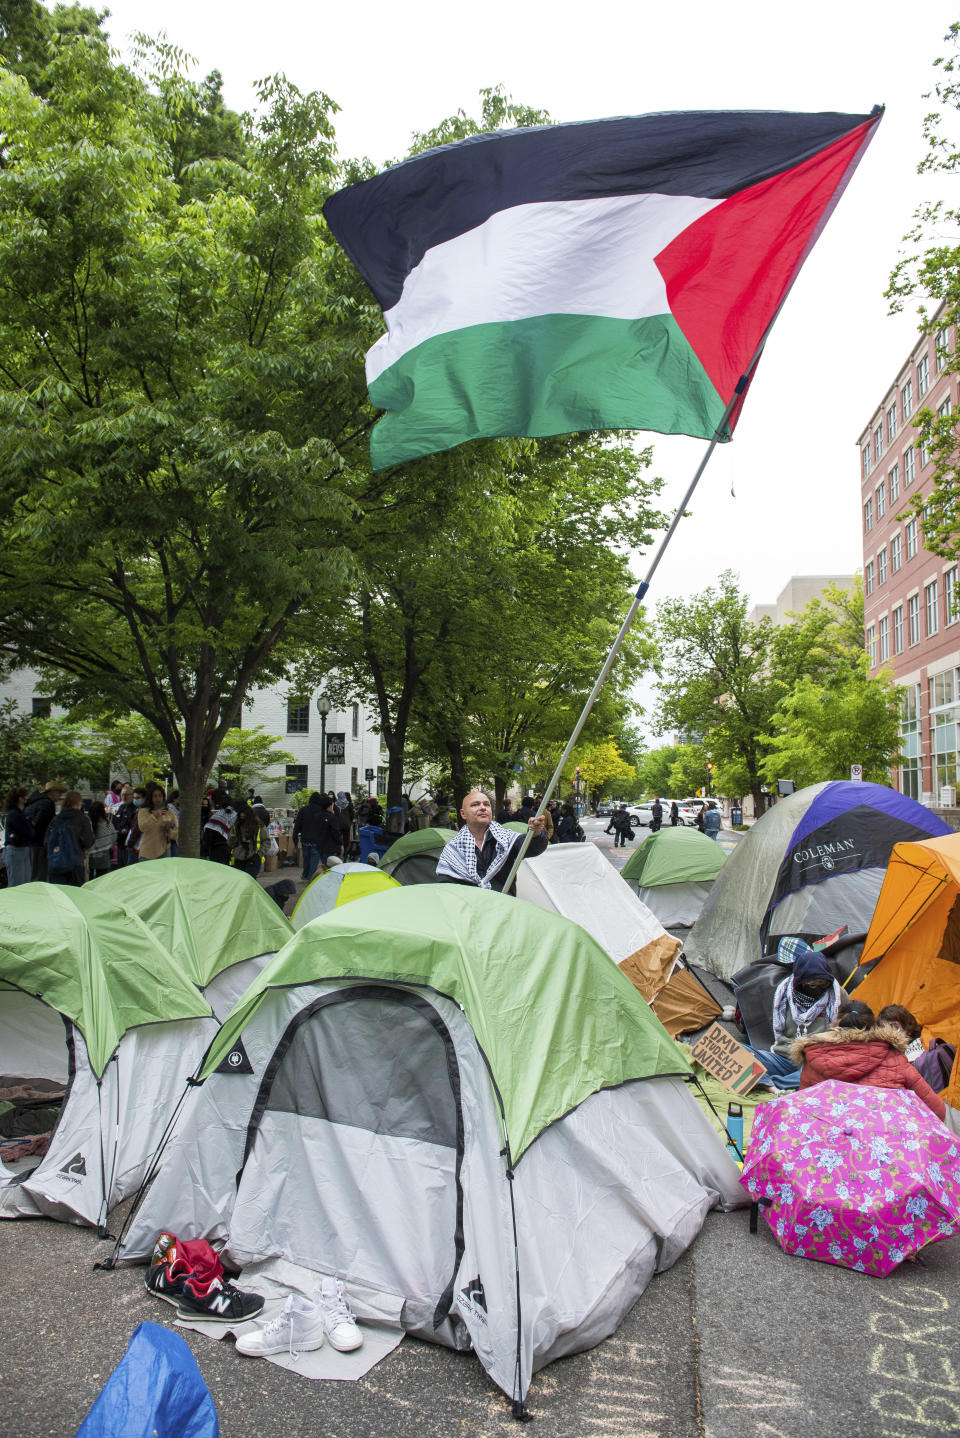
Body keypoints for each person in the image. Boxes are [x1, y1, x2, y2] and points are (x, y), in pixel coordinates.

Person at [792, 1001, 947, 1120]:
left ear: (836, 1024)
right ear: (874, 1027)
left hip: (830, 1147)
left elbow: (804, 1111)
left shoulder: (813, 1058)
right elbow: (938, 1111)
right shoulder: (894, 1057)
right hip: (890, 1146)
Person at [747, 939, 843, 1090]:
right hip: (783, 1057)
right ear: (800, 982)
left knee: (820, 1074)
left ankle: (768, 1082)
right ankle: (770, 1080)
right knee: (740, 1051)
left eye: (822, 984)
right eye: (812, 984)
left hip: (813, 1061)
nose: (817, 988)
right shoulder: (783, 992)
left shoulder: (837, 995)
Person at [436, 789, 547, 895]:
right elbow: (446, 887)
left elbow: (533, 847)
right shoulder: (452, 850)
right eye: (475, 804)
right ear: (463, 813)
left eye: (486, 804)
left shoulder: (507, 839)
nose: (482, 808)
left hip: (505, 908)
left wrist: (536, 833)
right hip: (469, 911)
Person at [877, 1004, 956, 1093]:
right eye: (884, 1031)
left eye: (894, 1027)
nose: (889, 1034)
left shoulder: (913, 1056)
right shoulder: (925, 1042)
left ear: (907, 1027)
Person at [46, 790, 94, 886]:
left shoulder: (56, 819)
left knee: (59, 894)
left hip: (56, 862)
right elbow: (88, 842)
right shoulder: (82, 819)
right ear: (78, 802)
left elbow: (47, 841)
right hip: (75, 863)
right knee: (75, 894)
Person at [292, 792, 341, 880]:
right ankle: (311, 876)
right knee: (314, 859)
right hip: (316, 839)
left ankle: (305, 874)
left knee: (306, 857)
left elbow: (297, 825)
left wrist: (295, 837)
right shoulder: (321, 811)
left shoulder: (303, 810)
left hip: (305, 838)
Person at [24, 779, 66, 878]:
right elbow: (41, 824)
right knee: (39, 875)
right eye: (58, 792)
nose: (60, 795)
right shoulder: (47, 804)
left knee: (32, 874)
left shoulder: (35, 802)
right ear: (52, 792)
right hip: (39, 844)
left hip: (30, 843)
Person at [138, 783, 178, 861]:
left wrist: (169, 830)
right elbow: (142, 827)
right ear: (150, 798)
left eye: (160, 796)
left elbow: (176, 833)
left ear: (163, 797)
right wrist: (155, 815)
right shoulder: (143, 811)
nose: (158, 798)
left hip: (165, 850)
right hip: (148, 852)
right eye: (155, 796)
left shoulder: (169, 813)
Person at [2, 786, 34, 887]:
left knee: (23, 883)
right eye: (26, 796)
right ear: (20, 798)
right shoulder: (15, 814)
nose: (27, 798)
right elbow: (27, 831)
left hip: (20, 850)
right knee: (18, 884)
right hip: (16, 851)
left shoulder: (18, 814)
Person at [201, 789, 236, 863]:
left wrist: (203, 853)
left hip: (217, 850)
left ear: (214, 800)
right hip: (230, 848)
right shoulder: (234, 813)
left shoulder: (218, 816)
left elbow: (208, 836)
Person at [231, 798, 263, 877]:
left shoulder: (258, 825)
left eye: (243, 814)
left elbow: (266, 841)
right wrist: (232, 839)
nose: (242, 816)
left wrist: (259, 854)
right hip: (239, 856)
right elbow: (231, 843)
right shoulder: (236, 825)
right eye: (240, 814)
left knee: (250, 880)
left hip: (254, 856)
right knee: (239, 880)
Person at [87, 800, 116, 880]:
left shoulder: (88, 823)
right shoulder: (107, 824)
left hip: (90, 856)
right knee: (101, 880)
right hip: (104, 856)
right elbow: (113, 837)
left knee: (89, 879)